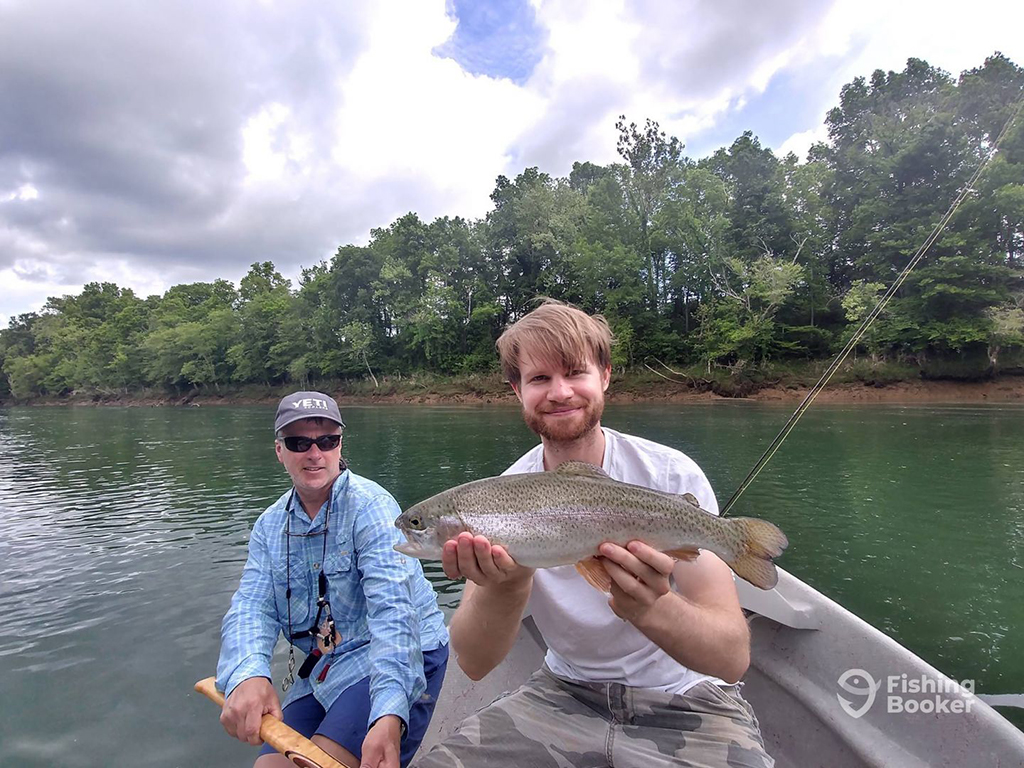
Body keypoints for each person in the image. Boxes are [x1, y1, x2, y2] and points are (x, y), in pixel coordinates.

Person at [413, 301, 773, 768]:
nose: (559, 392)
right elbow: (474, 663)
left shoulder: (669, 475)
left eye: (575, 373)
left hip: (687, 699)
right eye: (539, 378)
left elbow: (730, 660)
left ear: (604, 375)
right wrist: (507, 583)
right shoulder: (496, 498)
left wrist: (654, 607)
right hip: (560, 696)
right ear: (515, 389)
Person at [217, 391, 449, 768]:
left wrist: (388, 712)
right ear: (279, 450)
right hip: (328, 664)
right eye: (299, 442)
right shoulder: (269, 527)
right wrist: (247, 673)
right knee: (269, 766)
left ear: (340, 445)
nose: (315, 453)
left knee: (317, 763)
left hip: (402, 654)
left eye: (327, 441)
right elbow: (251, 607)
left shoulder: (372, 508)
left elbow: (394, 612)